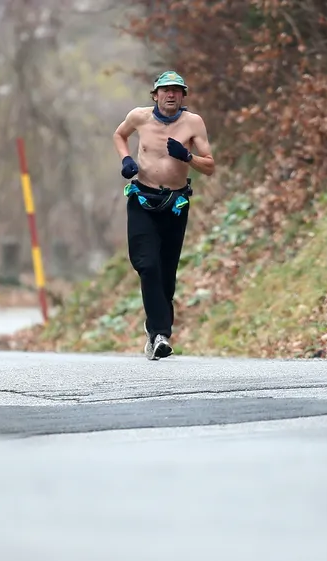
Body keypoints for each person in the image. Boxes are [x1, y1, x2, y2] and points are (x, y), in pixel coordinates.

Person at [113, 70, 215, 360]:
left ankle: (154, 331)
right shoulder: (139, 117)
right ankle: (160, 334)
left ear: (183, 96)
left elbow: (210, 166)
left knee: (166, 274)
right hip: (143, 199)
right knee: (147, 264)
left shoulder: (193, 123)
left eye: (177, 90)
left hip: (175, 203)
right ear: (155, 95)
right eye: (165, 90)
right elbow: (119, 135)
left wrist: (187, 157)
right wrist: (127, 159)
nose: (171, 95)